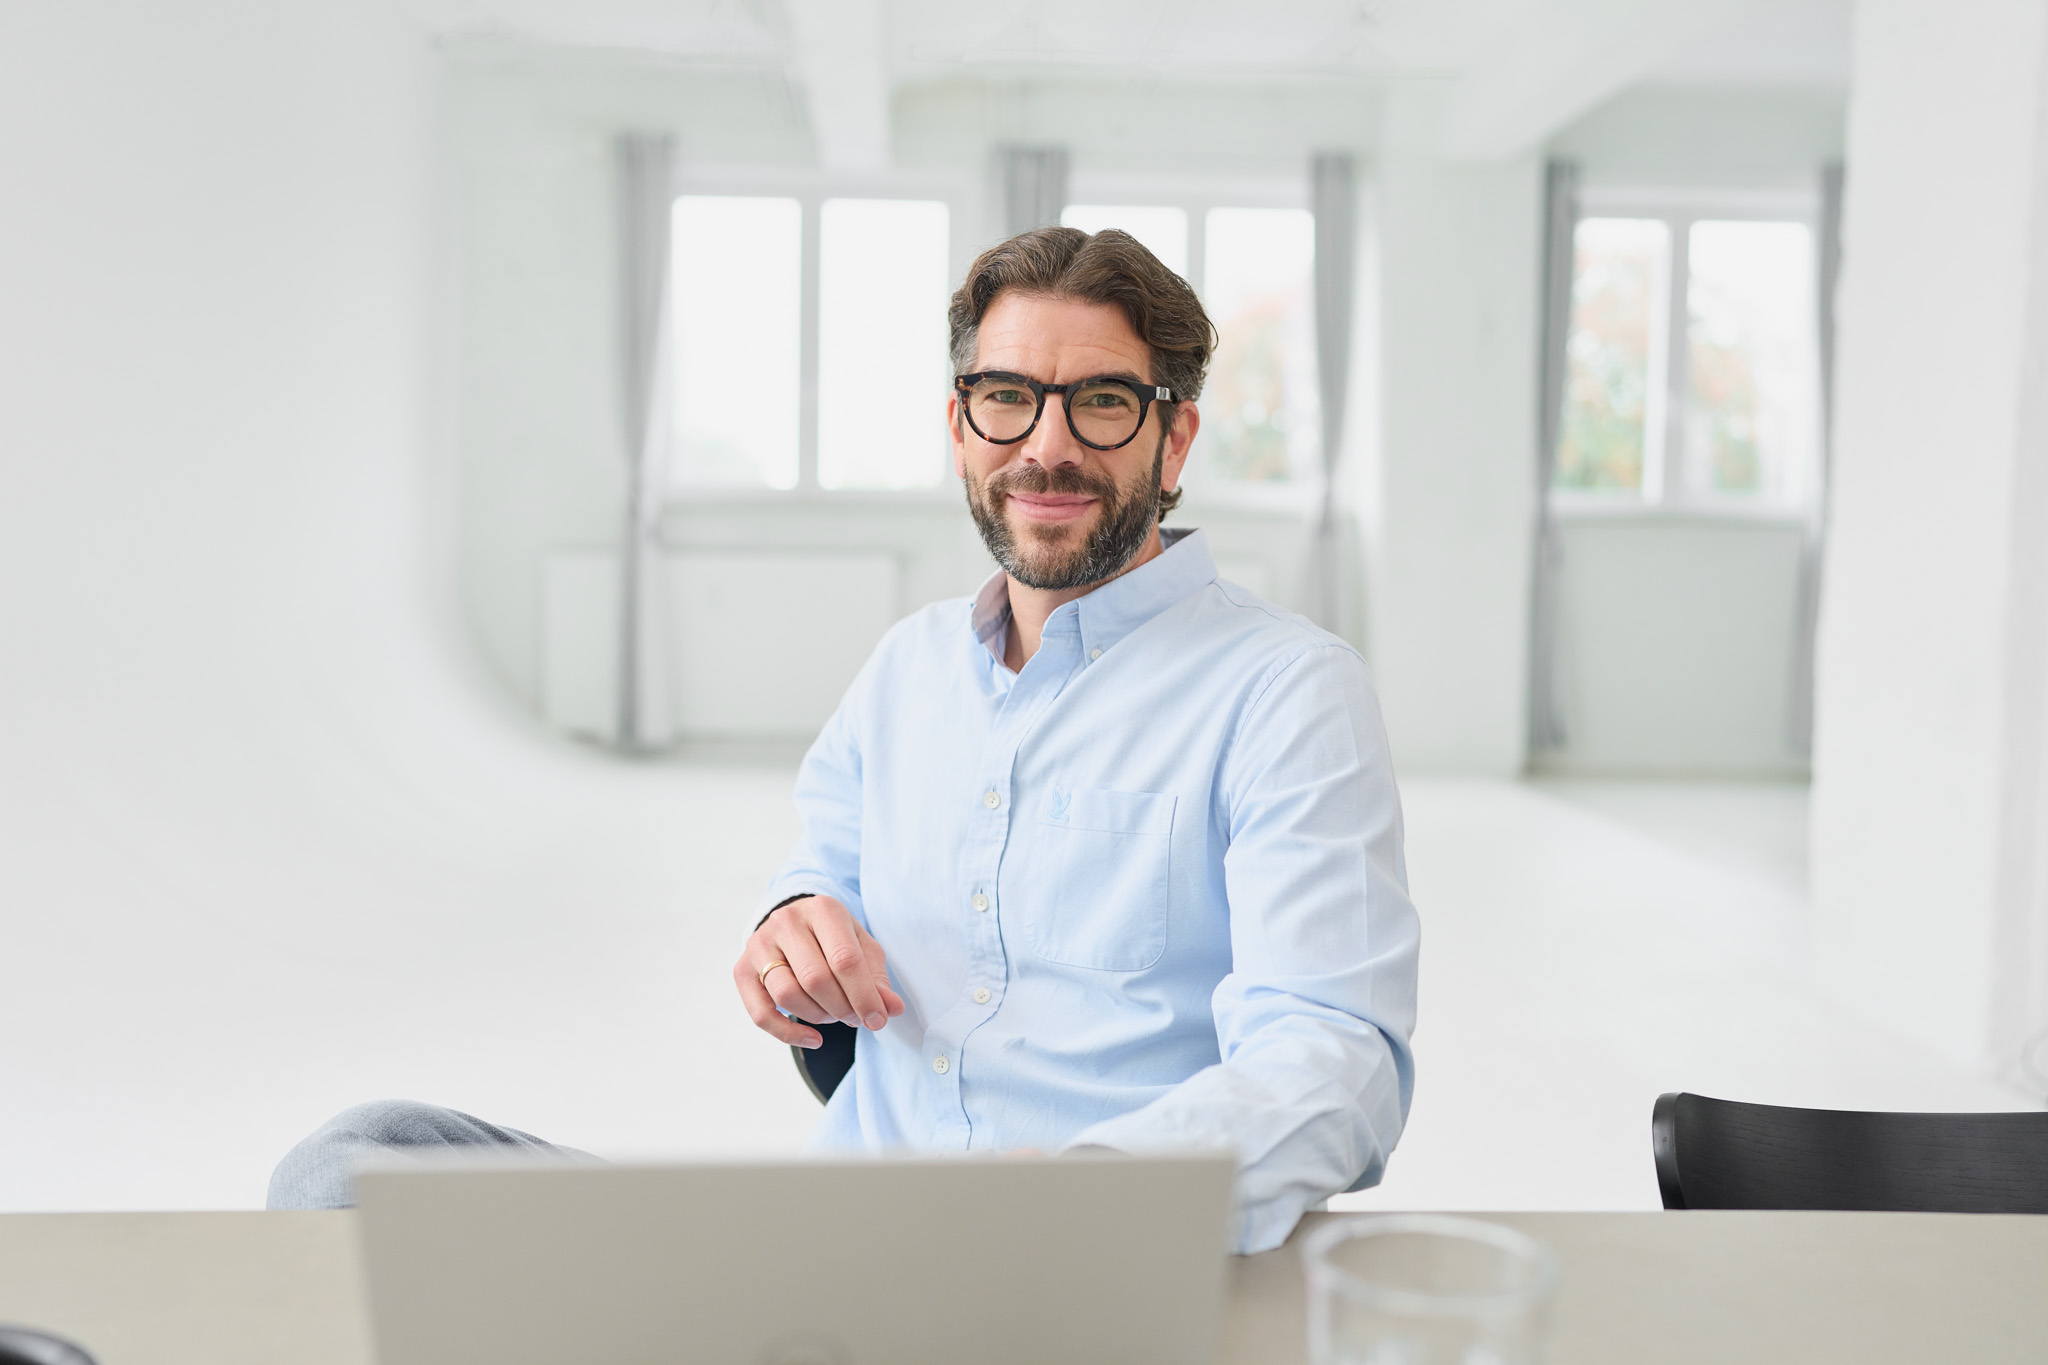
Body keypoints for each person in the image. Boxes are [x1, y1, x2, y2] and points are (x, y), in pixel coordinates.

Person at [268, 226, 1418, 1255]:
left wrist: (1087, 1203)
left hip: (1064, 1274)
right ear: (961, 427)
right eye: (1005, 397)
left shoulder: (1285, 693)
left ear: (1173, 443)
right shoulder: (907, 670)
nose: (1046, 447)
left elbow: (1334, 1061)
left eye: (1103, 403)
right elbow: (819, 874)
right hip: (830, 1237)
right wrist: (792, 928)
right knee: (351, 1163)